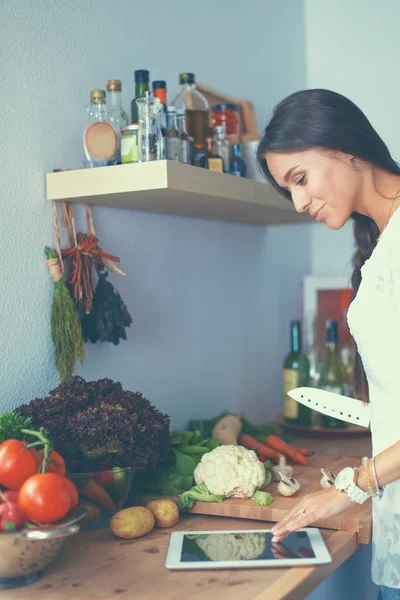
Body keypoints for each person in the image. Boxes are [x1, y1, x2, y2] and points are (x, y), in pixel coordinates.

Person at [257, 89, 400, 600]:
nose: (299, 202)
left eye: (300, 179)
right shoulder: (380, 237)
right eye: (287, 191)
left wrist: (353, 485)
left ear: (341, 145)